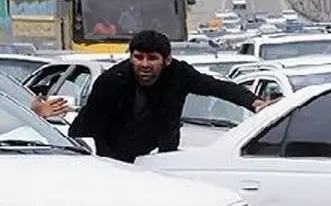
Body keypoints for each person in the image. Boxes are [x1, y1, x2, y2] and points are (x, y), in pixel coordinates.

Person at [69, 30, 270, 163]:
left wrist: (254, 102)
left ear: (167, 60)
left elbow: (217, 87)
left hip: (161, 156)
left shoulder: (179, 74)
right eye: (138, 58)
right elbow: (91, 129)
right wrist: (111, 164)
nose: (144, 65)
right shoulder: (111, 81)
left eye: (152, 59)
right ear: (131, 58)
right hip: (112, 155)